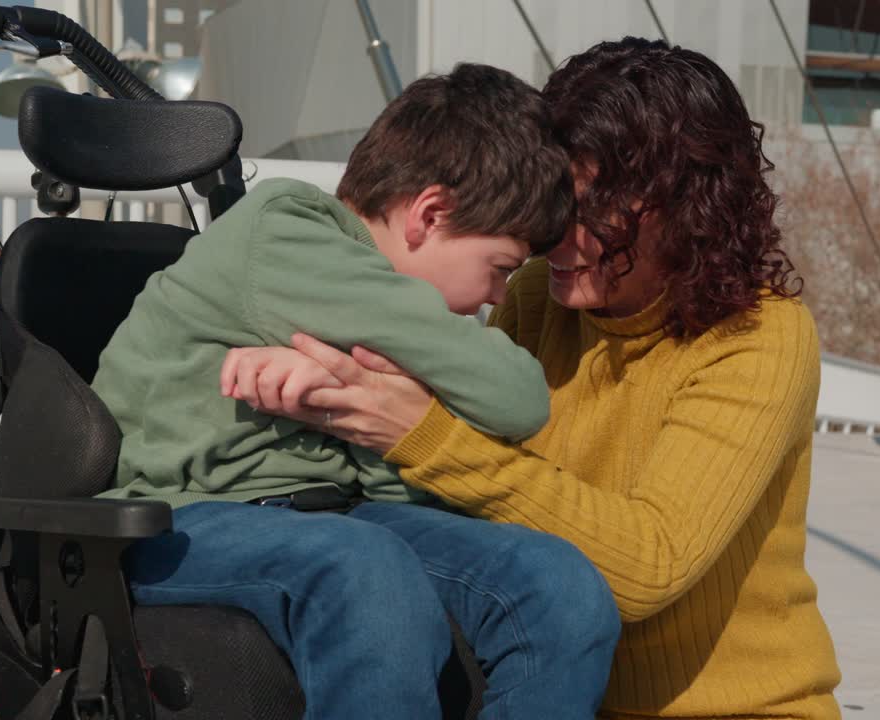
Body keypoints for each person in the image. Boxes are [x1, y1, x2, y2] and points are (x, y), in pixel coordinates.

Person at [228, 38, 843, 719]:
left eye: (589, 210)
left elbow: (649, 568)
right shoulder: (534, 298)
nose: (554, 236)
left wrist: (424, 434)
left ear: (690, 209)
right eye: (551, 203)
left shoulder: (757, 334)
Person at [92, 63, 620, 719]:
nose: (495, 297)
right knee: (368, 570)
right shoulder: (286, 235)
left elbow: (391, 484)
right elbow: (519, 397)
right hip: (184, 520)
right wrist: (395, 377)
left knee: (558, 585)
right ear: (430, 214)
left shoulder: (358, 303)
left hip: (335, 516)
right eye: (499, 268)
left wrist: (363, 388)